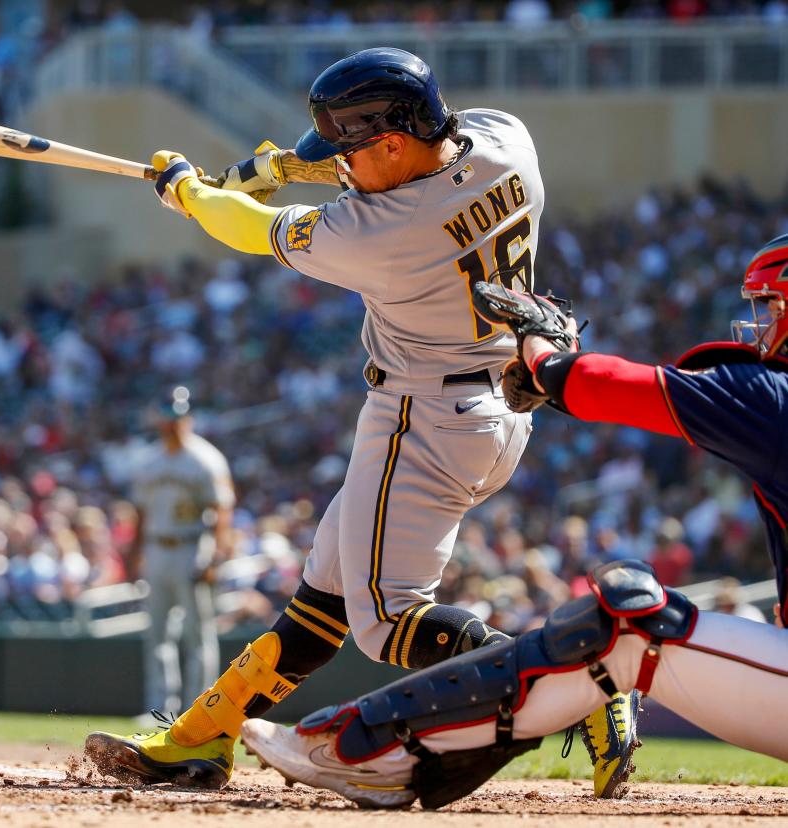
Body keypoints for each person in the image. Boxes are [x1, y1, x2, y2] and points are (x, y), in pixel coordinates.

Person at [85, 47, 635, 797]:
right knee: (327, 594)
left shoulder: (379, 234)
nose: (341, 164)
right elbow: (412, 162)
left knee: (383, 623)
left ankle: (579, 681)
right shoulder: (508, 140)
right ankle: (203, 734)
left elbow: (252, 231)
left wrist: (189, 190)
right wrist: (285, 167)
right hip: (499, 404)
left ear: (390, 141)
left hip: (423, 415)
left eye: (351, 149)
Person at [238, 234, 788, 810]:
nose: (761, 324)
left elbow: (612, 389)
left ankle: (367, 747)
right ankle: (382, 749)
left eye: (774, 307)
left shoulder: (775, 399)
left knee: (628, 620)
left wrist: (546, 356)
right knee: (610, 643)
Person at [130, 387, 235, 716]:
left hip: (192, 546)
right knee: (157, 634)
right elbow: (141, 513)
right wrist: (134, 552)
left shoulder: (205, 459)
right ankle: (159, 709)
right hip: (157, 546)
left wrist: (216, 555)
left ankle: (198, 708)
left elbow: (223, 511)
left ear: (187, 418)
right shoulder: (150, 461)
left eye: (177, 417)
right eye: (167, 417)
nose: (172, 424)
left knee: (198, 634)